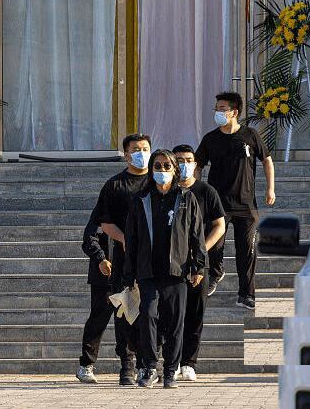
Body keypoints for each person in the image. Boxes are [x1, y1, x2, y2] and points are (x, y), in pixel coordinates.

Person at [123, 150, 207, 389]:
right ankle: (150, 367)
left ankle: (171, 370)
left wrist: (198, 266)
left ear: (174, 170)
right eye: (157, 166)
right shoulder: (140, 199)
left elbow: (197, 235)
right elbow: (131, 237)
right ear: (151, 170)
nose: (162, 170)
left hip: (176, 271)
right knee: (148, 316)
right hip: (147, 270)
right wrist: (129, 273)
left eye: (166, 166)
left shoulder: (186, 198)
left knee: (175, 322)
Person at [195, 92, 276, 310]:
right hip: (217, 204)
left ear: (234, 112)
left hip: (246, 205)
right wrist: (197, 190)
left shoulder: (250, 135)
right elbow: (198, 165)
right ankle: (216, 272)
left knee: (246, 251)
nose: (218, 112)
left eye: (222, 109)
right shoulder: (210, 139)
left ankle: (246, 294)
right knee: (214, 245)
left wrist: (270, 188)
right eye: (216, 109)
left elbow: (267, 160)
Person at [95, 133, 151, 385]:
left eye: (145, 148)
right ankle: (127, 365)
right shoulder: (115, 185)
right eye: (136, 149)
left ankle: (148, 362)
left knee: (151, 310)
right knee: (124, 310)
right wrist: (125, 239)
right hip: (124, 259)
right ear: (126, 154)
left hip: (154, 260)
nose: (141, 153)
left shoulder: (158, 182)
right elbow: (105, 222)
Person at [173, 144, 226, 382]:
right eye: (179, 161)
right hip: (171, 262)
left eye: (188, 160)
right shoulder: (165, 191)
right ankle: (172, 361)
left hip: (198, 263)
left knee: (195, 313)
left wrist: (201, 249)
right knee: (172, 313)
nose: (184, 165)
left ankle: (188, 363)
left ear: (195, 165)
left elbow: (219, 225)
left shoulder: (206, 191)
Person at [76, 207, 113, 384]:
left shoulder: (138, 204)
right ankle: (86, 364)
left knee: (135, 322)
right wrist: (101, 258)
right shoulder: (102, 210)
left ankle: (140, 366)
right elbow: (89, 239)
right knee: (98, 319)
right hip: (104, 274)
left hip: (130, 273)